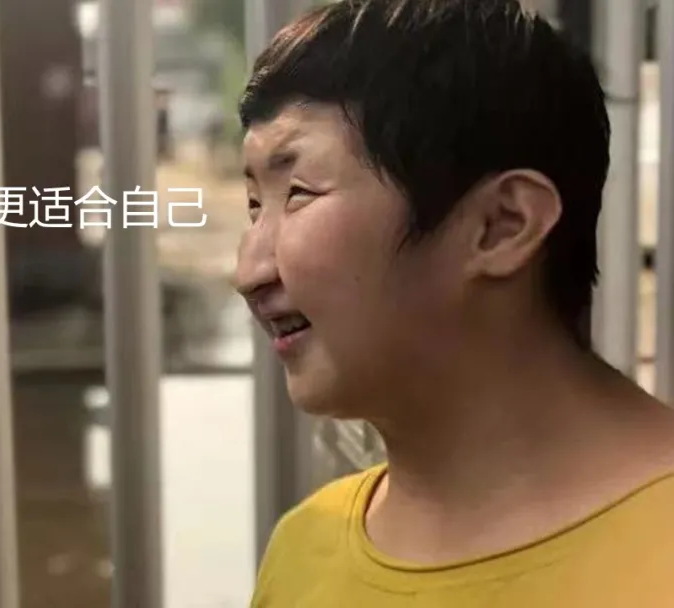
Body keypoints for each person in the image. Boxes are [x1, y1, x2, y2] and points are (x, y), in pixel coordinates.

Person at [232, 0, 674, 606]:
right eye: (255, 206)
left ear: (502, 224)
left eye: (300, 193)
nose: (249, 272)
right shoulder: (303, 548)